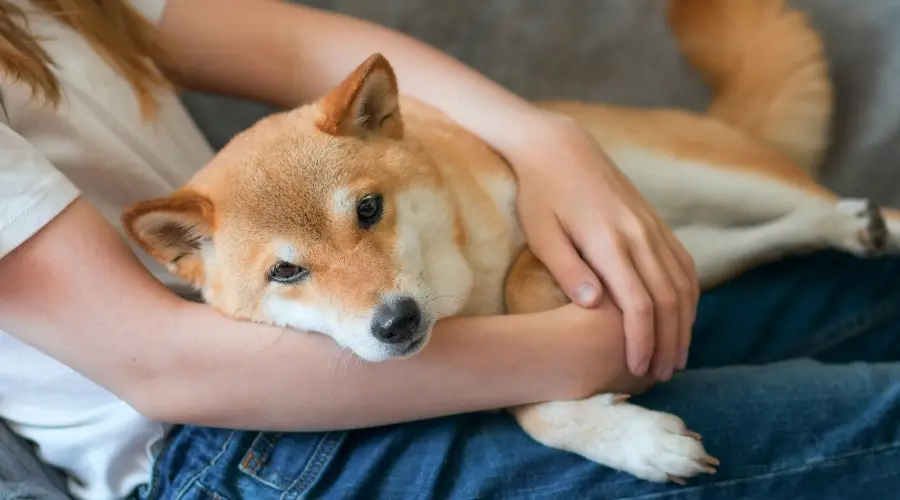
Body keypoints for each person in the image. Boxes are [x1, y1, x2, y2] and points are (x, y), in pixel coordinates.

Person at [1, 0, 899, 499]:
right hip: (225, 441)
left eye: (365, 218)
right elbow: (164, 370)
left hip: (446, 326)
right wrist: (569, 358)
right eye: (295, 269)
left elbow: (306, 44)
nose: (370, 288)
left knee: (870, 286)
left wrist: (546, 140)